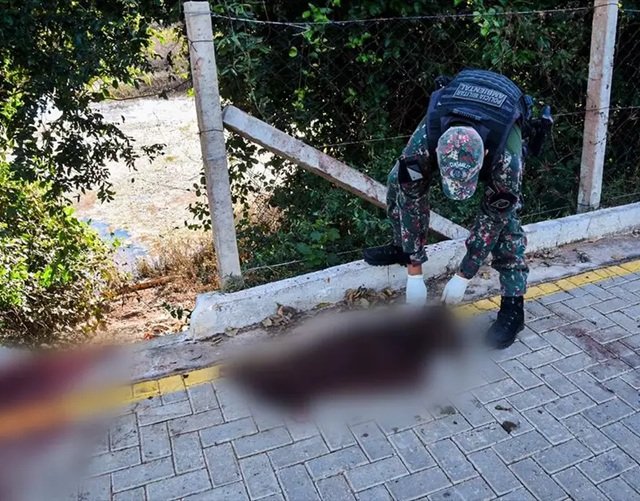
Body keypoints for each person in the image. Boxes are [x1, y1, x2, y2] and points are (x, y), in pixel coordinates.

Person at [363, 69, 550, 349]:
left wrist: (464, 275)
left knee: (506, 223)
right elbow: (411, 198)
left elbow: (491, 221)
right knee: (397, 181)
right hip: (459, 101)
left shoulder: (505, 161)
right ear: (436, 154)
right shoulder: (424, 145)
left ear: (485, 156)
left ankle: (514, 306)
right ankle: (402, 247)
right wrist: (414, 269)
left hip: (502, 115)